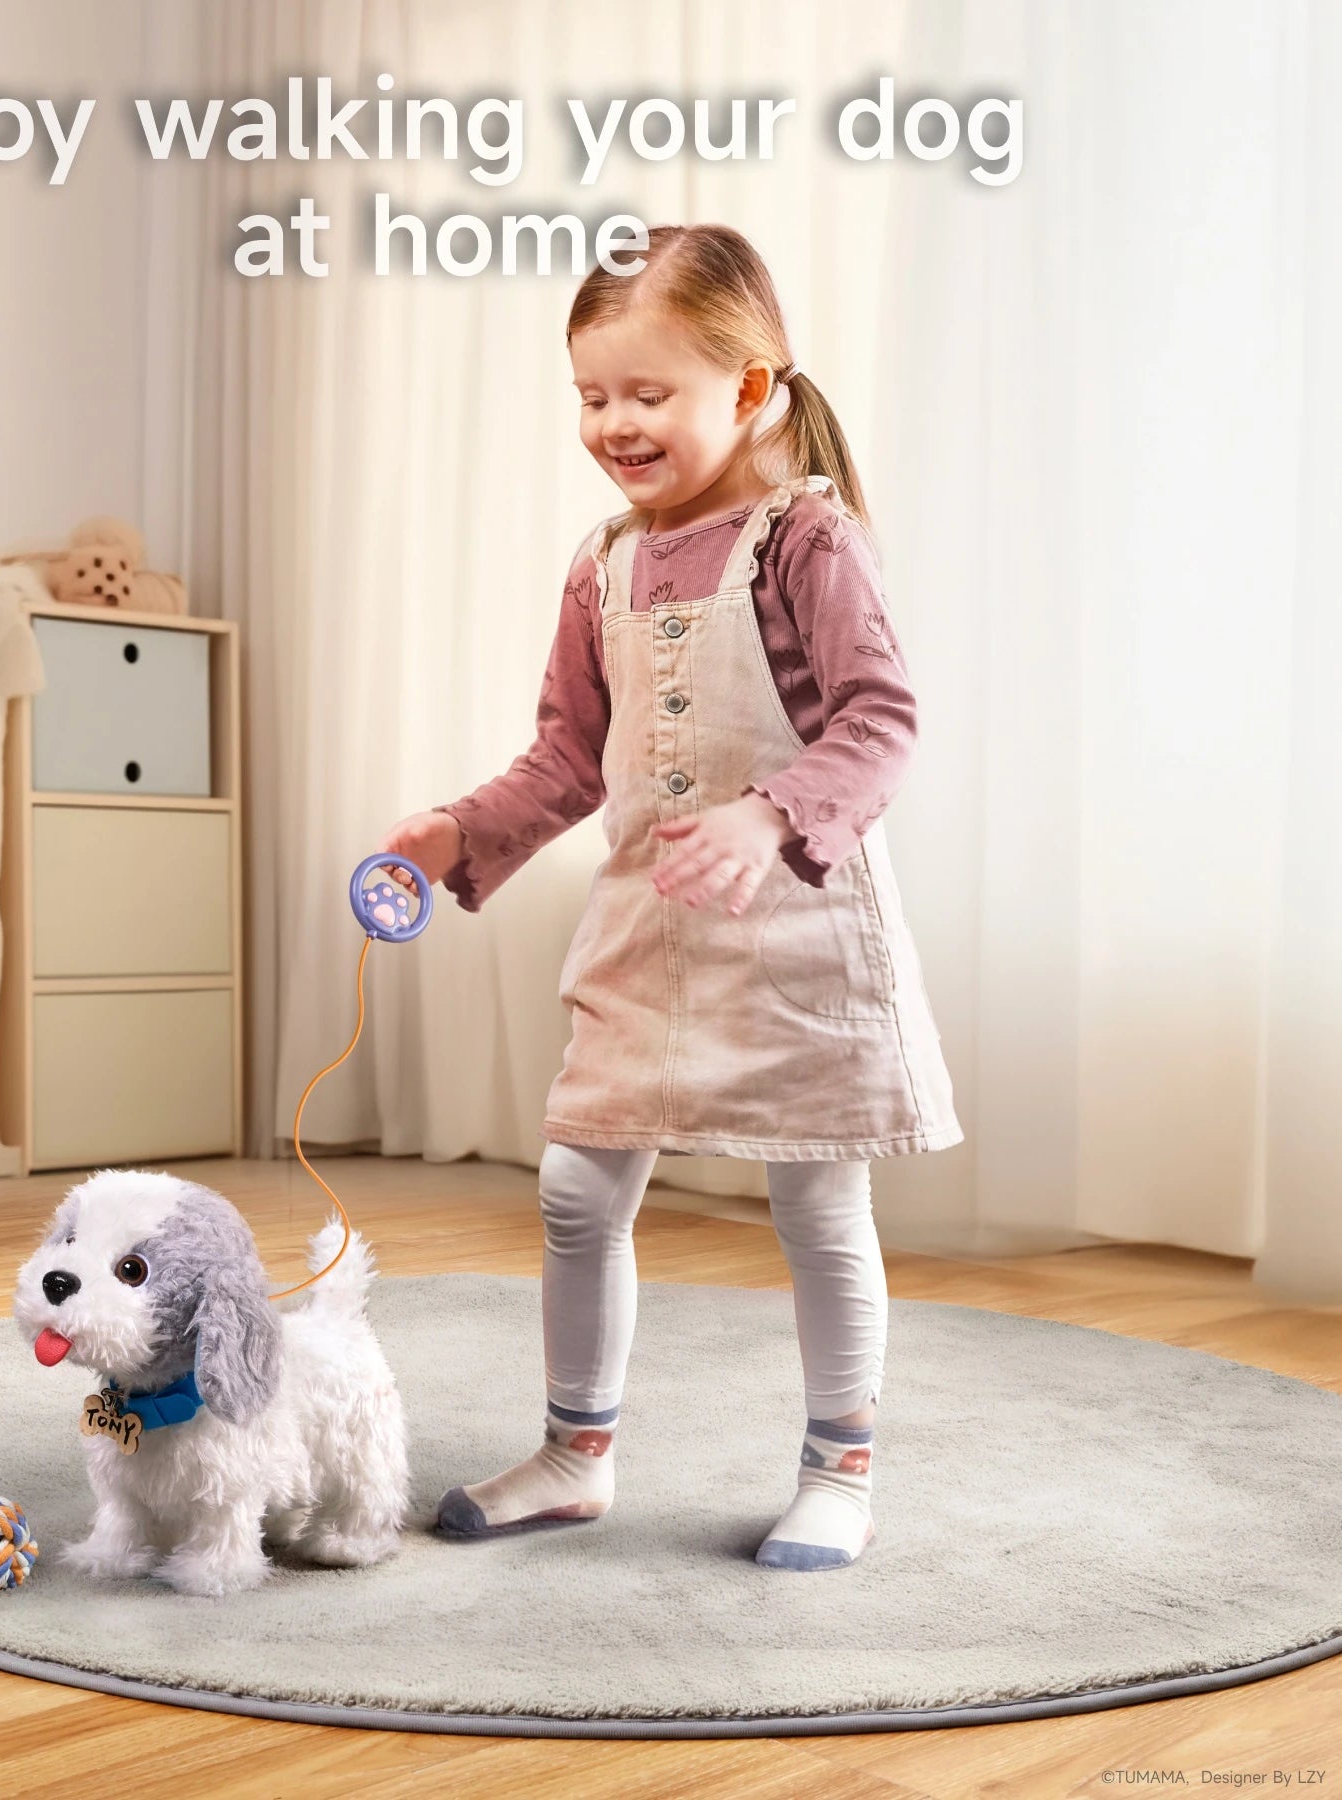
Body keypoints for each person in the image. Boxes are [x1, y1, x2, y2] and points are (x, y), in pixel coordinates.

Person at [377, 222, 962, 1571]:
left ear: (752, 390)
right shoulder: (602, 567)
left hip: (800, 931)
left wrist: (770, 822)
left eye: (648, 395)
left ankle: (841, 1472)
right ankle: (578, 1454)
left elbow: (881, 719)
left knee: (816, 1208)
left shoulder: (806, 539)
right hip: (648, 925)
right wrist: (457, 828)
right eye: (592, 395)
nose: (613, 424)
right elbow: (567, 762)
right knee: (580, 1190)